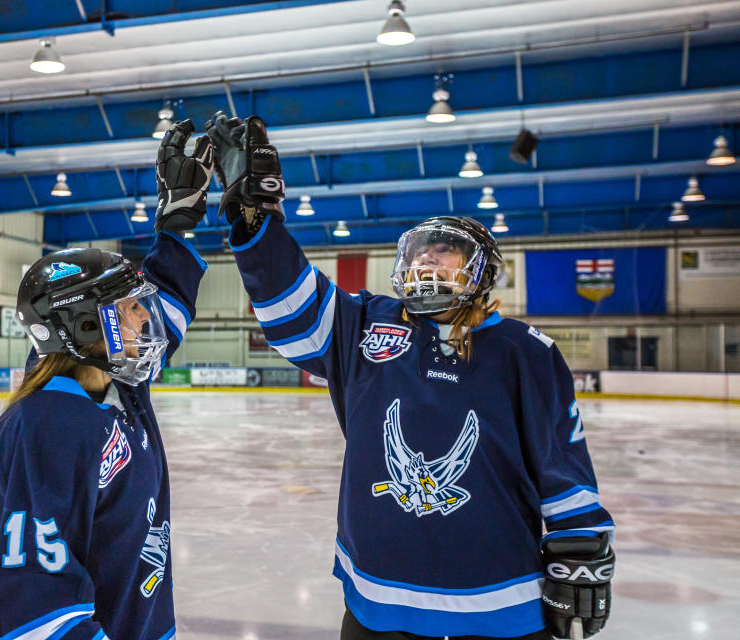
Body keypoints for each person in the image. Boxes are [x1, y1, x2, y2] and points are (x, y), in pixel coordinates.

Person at [199, 111, 616, 640]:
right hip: (381, 592)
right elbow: (290, 305)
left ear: (480, 273)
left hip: (498, 596)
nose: (428, 264)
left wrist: (579, 546)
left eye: (447, 256)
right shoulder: (365, 323)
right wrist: (258, 215)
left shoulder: (523, 349)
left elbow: (561, 458)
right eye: (420, 255)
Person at [0, 119, 214, 640]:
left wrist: (175, 224)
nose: (145, 322)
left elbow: (167, 302)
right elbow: (31, 601)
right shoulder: (48, 425)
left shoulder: (117, 389)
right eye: (128, 311)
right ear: (82, 326)